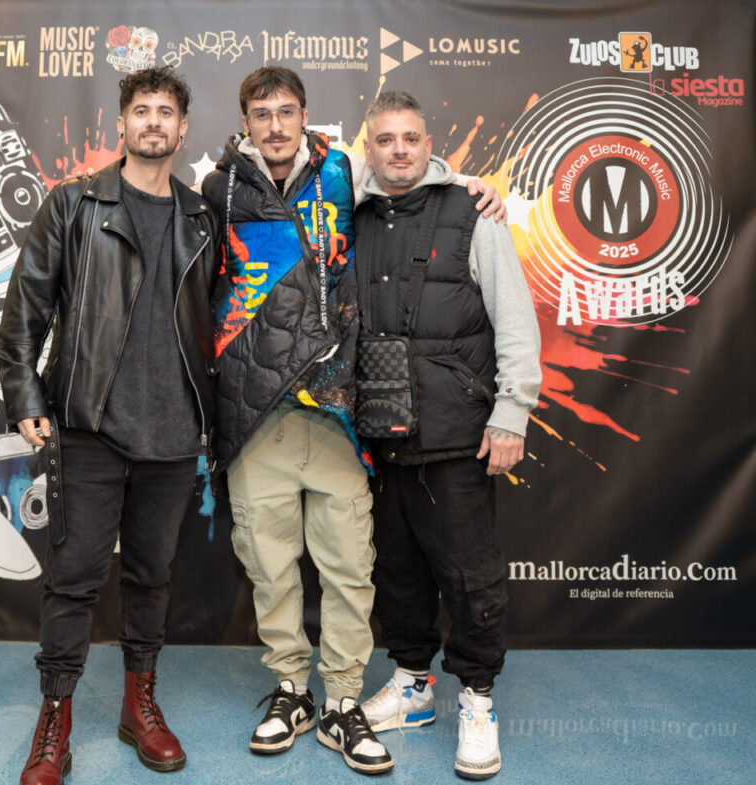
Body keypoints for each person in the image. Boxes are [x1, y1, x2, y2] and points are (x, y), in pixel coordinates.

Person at [201, 66, 503, 776]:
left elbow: (412, 184)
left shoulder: (346, 173)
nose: (275, 126)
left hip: (338, 407)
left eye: (287, 112)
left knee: (347, 566)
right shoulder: (218, 189)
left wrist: (466, 185)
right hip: (255, 409)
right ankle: (289, 690)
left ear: (307, 117)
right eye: (261, 114)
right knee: (269, 564)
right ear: (245, 121)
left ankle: (341, 697)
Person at [0, 66, 219, 784]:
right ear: (121, 125)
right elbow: (24, 311)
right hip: (88, 424)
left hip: (175, 432)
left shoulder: (201, 216)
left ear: (184, 130)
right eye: (141, 111)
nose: (154, 122)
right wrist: (26, 392)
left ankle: (138, 707)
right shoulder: (72, 205)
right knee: (73, 580)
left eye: (166, 113)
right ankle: (54, 719)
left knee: (152, 577)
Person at [353, 90, 541, 781]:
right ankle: (412, 684)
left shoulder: (473, 209)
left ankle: (478, 698)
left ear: (430, 143)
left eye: (410, 138)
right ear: (367, 148)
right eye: (385, 140)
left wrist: (512, 411)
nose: (398, 149)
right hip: (379, 433)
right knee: (396, 570)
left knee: (469, 576)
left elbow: (515, 317)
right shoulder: (352, 213)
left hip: (458, 431)